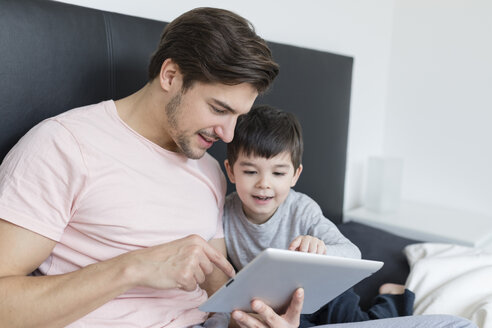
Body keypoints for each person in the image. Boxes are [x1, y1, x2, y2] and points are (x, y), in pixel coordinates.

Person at [0, 5, 477, 328]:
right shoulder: (64, 145)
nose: (228, 137)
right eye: (219, 109)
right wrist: (132, 269)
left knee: (450, 324)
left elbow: (217, 289)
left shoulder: (208, 170)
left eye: (240, 117)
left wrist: (256, 316)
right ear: (171, 76)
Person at [222, 105, 415, 326]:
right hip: (283, 307)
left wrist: (320, 250)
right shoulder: (224, 214)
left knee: (361, 324)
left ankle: (394, 297)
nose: (264, 184)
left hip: (326, 295)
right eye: (250, 172)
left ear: (295, 175)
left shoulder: (302, 209)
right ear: (231, 171)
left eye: (278, 173)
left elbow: (353, 253)